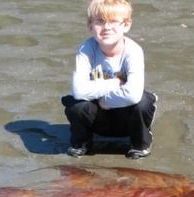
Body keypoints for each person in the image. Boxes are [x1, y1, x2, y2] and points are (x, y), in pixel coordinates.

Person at [61, 0, 157, 159]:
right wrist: (115, 83)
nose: (106, 27)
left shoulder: (133, 51)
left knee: (143, 102)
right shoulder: (86, 49)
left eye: (113, 21)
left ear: (126, 25)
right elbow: (79, 91)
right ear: (90, 26)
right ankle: (81, 144)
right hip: (99, 119)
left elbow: (132, 94)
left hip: (126, 118)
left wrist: (104, 101)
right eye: (99, 21)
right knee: (76, 105)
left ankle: (140, 144)